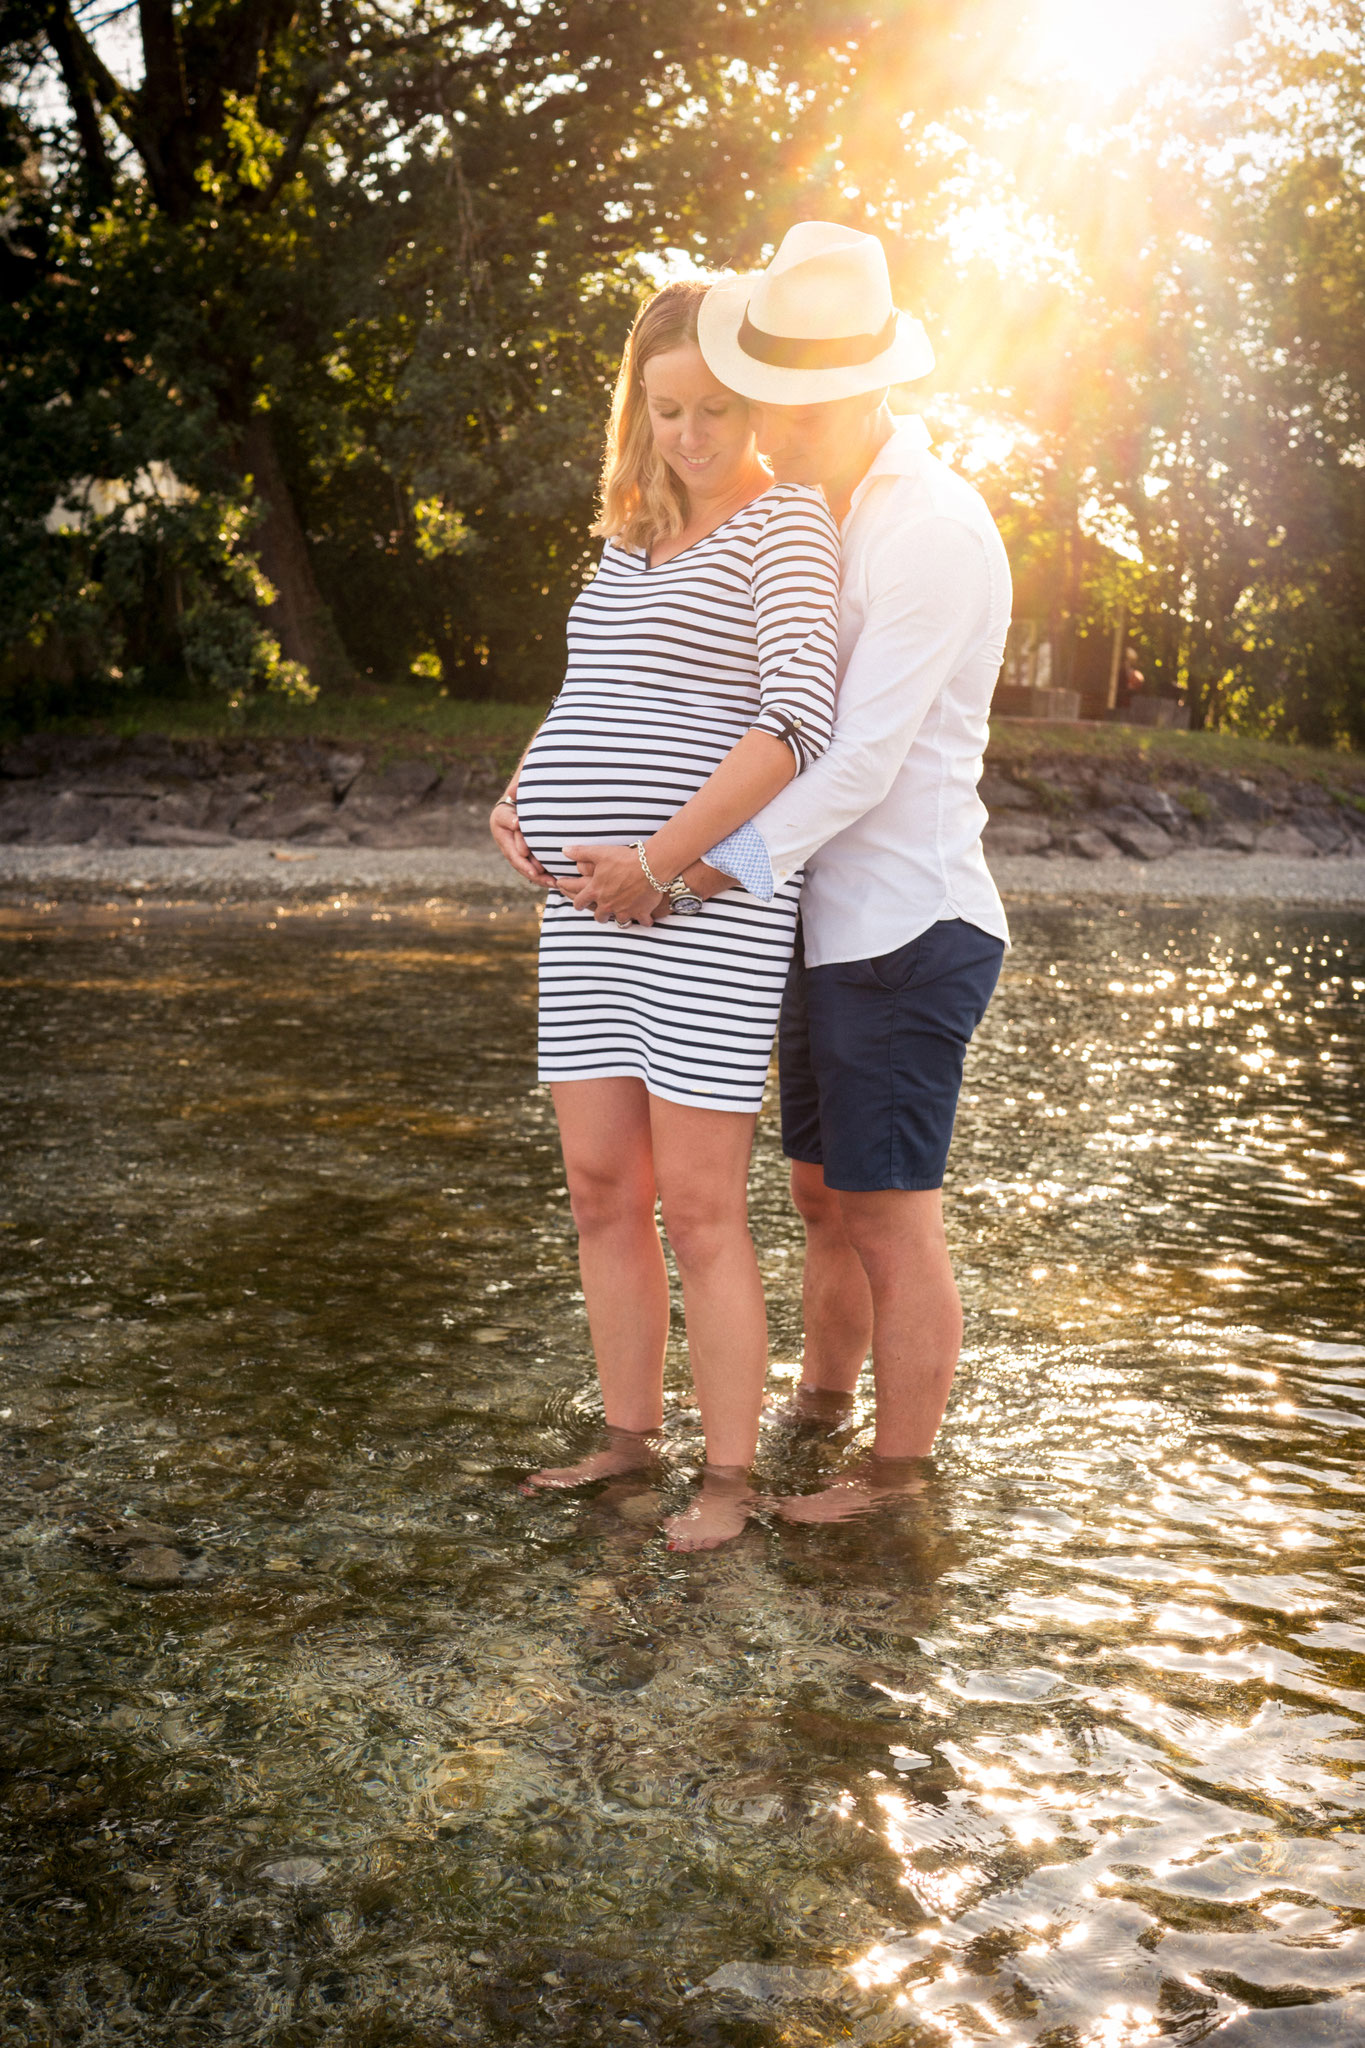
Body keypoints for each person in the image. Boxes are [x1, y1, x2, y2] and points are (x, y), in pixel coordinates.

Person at [566, 222, 1012, 1522]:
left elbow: (856, 758)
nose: (778, 426)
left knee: (887, 1213)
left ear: (870, 389)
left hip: (907, 921)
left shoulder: (928, 529)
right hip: (823, 921)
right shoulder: (831, 509)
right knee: (822, 1196)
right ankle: (821, 1412)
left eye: (800, 405)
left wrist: (684, 874)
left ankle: (896, 1476)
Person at [489, 280, 840, 1550]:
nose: (690, 434)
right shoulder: (629, 533)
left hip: (699, 908)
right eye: (667, 407)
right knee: (599, 1186)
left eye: (715, 408)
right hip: (585, 907)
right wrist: (521, 787)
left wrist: (656, 860)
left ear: (758, 404)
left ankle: (729, 1479)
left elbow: (796, 725)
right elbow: (591, 685)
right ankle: (628, 1440)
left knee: (698, 1204)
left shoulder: (788, 523)